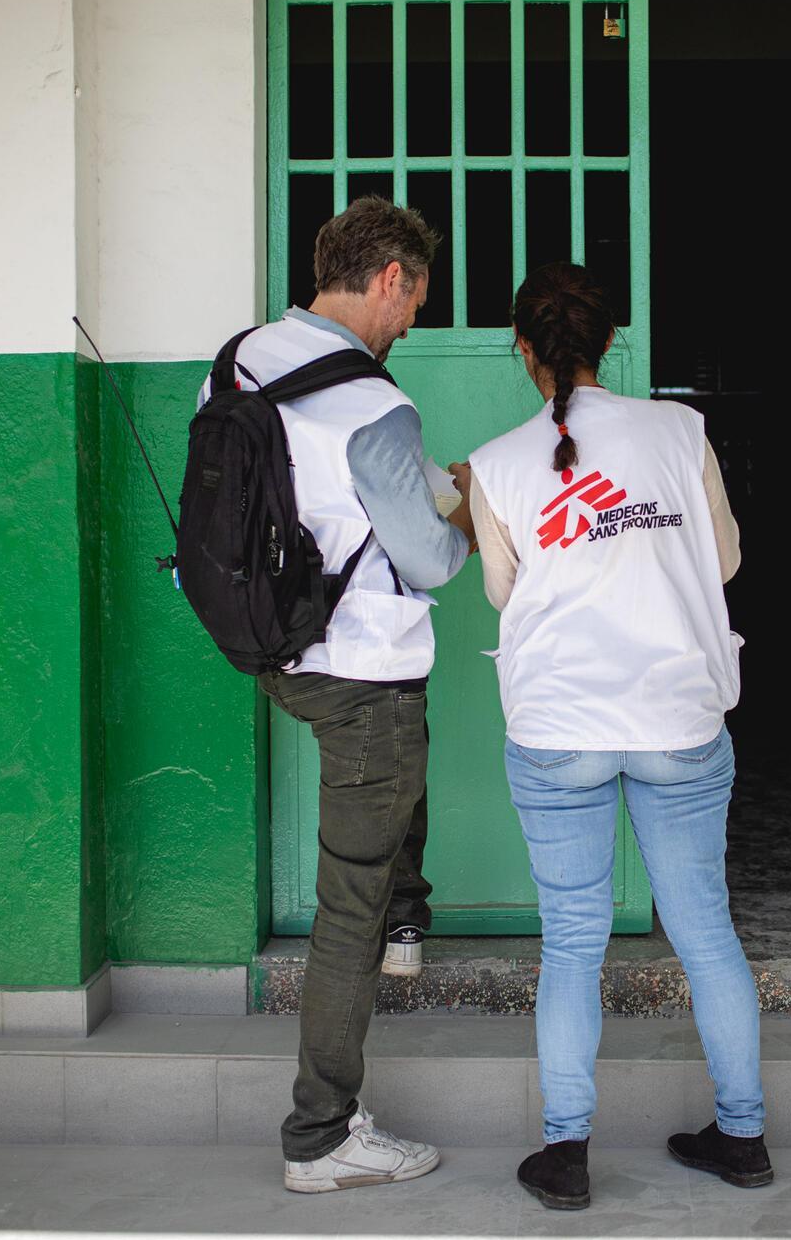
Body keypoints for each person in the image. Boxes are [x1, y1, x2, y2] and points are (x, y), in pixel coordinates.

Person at [458, 262, 766, 1212]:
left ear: (524, 350)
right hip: (678, 718)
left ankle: (566, 1152)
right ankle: (744, 1135)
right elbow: (725, 559)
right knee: (705, 930)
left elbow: (505, 593)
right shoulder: (680, 431)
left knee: (572, 942)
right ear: (608, 342)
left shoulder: (497, 462)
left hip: (560, 729)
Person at [201, 197, 476, 1193]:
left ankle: (405, 915)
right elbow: (429, 560)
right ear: (391, 278)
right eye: (415, 303)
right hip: (363, 671)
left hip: (280, 649)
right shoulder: (373, 404)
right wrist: (471, 515)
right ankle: (320, 1133)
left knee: (383, 821)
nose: (411, 325)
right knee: (343, 909)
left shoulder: (235, 360)